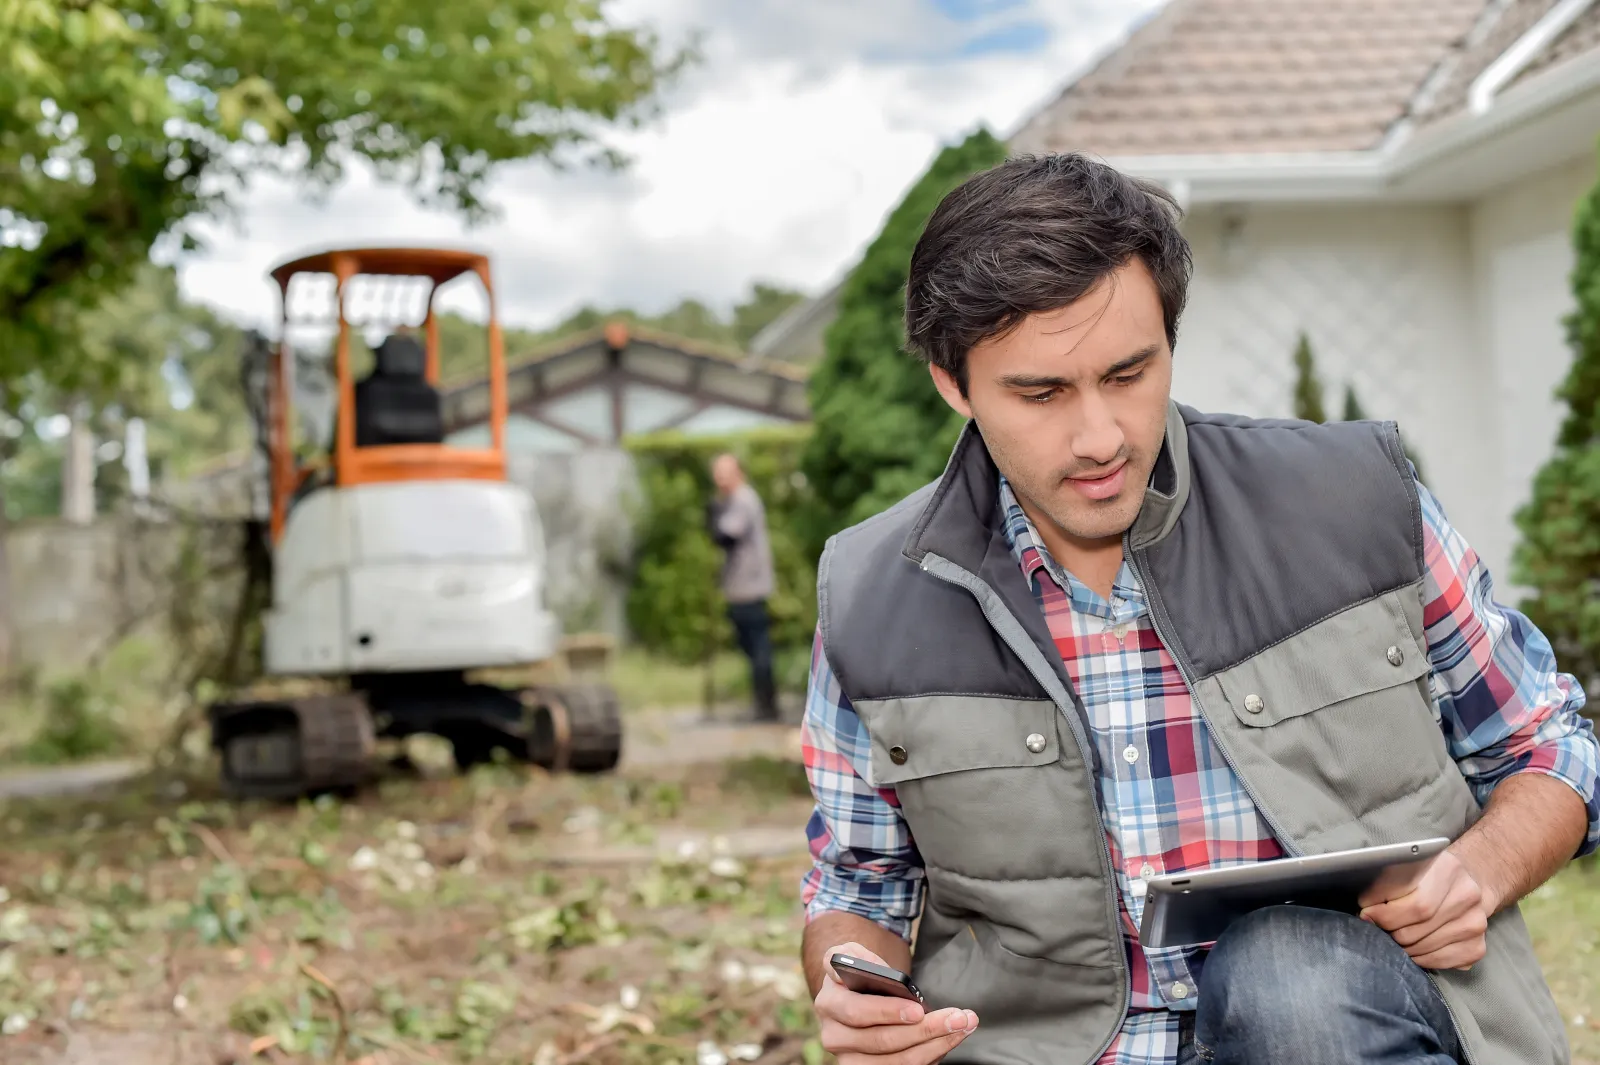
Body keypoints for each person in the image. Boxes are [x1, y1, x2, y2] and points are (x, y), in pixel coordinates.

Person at [798, 153, 1600, 1065]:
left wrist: (1480, 871)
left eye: (1130, 372)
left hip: (1347, 1023)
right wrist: (852, 981)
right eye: (1042, 392)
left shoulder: (1356, 506)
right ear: (954, 384)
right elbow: (859, 884)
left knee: (1285, 980)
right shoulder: (868, 596)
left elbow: (1549, 747)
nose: (1101, 436)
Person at [708, 453, 778, 722]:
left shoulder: (742, 500)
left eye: (724, 472)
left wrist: (714, 513)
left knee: (758, 647)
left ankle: (766, 705)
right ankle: (764, 703)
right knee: (752, 646)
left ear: (738, 472)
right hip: (740, 585)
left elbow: (726, 536)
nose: (719, 478)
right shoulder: (736, 500)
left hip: (749, 586)